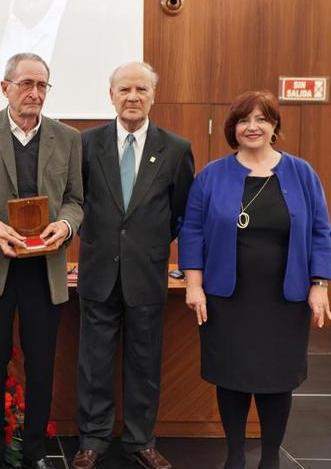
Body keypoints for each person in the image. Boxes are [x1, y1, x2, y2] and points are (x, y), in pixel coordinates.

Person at [178, 90, 331, 469]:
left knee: (277, 378)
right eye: (244, 120)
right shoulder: (212, 176)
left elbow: (321, 231)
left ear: (274, 126)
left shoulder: (302, 173)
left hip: (285, 299)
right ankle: (235, 455)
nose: (253, 127)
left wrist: (320, 284)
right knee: (231, 377)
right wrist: (194, 284)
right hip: (227, 298)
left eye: (262, 119)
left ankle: (269, 459)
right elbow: (192, 232)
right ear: (232, 129)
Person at [0, 52, 83, 469]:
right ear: (5, 87)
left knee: (41, 366)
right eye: (26, 83)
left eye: (42, 85)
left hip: (44, 272)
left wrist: (63, 227)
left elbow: (76, 202)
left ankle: (35, 454)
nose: (35, 92)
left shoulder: (68, 138)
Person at [72, 62, 194, 469]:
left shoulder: (175, 148)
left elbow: (180, 211)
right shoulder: (86, 144)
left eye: (141, 89)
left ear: (153, 96)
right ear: (111, 96)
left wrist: (151, 245)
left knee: (145, 362)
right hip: (98, 272)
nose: (132, 97)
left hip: (147, 272)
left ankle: (141, 440)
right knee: (95, 363)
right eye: (124, 89)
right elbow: (77, 201)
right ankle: (92, 440)